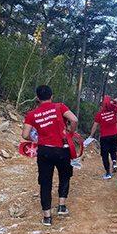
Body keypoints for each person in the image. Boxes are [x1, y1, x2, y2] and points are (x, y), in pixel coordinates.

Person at [22, 85, 78, 226]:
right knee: (64, 176)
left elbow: (25, 135)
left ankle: (47, 217)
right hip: (62, 149)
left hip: (44, 151)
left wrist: (35, 140)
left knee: (45, 182)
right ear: (51, 96)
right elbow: (74, 120)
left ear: (37, 98)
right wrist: (70, 132)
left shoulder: (31, 114)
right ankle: (61, 206)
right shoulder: (59, 107)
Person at [89, 96, 117, 179]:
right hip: (114, 135)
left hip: (104, 137)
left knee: (105, 155)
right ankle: (114, 162)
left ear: (102, 106)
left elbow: (95, 126)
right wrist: (113, 101)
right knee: (113, 151)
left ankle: (108, 173)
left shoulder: (99, 114)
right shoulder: (114, 110)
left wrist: (91, 136)